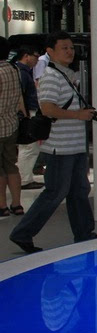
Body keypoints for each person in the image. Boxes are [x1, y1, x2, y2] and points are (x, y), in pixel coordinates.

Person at [10, 31, 97, 254]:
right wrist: (78, 115)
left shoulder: (65, 74)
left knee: (79, 190)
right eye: (64, 48)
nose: (70, 52)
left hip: (75, 146)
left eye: (71, 48)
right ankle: (22, 233)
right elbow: (48, 108)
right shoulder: (51, 76)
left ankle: (84, 232)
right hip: (60, 147)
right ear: (50, 51)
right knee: (55, 192)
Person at [0, 37, 26, 218]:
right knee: (11, 165)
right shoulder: (14, 69)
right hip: (12, 123)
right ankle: (17, 204)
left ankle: (2, 205)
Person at [13, 45, 41, 191]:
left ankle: (25, 178)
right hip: (28, 113)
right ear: (26, 56)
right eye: (36, 56)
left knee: (29, 147)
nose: (37, 60)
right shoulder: (22, 72)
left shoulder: (22, 71)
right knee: (29, 147)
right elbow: (19, 95)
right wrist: (25, 115)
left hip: (28, 112)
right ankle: (24, 179)